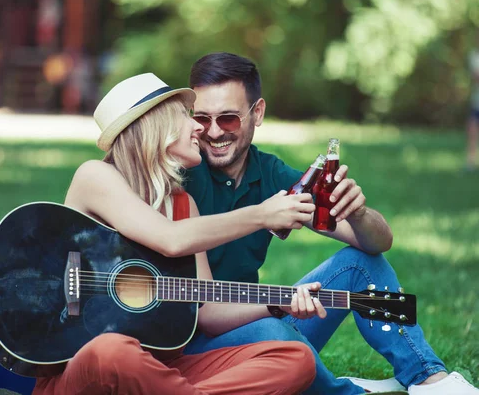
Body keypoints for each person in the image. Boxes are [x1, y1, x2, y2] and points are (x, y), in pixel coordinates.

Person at [181, 52, 479, 395]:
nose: (214, 132)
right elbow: (206, 313)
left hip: (255, 319)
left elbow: (378, 243)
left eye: (229, 119)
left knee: (360, 263)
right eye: (203, 119)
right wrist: (279, 302)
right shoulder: (182, 173)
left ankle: (429, 379)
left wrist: (359, 213)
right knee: (274, 334)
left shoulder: (272, 174)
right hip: (195, 346)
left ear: (257, 113)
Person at [32, 72, 316, 394]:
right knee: (111, 351)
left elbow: (208, 309)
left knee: (295, 358)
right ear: (156, 125)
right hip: (87, 366)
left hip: (162, 371)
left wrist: (279, 302)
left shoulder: (183, 205)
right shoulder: (96, 176)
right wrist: (262, 214)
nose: (200, 127)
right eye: (185, 116)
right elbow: (171, 239)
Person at [467, 37, 479, 172]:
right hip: (477, 102)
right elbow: (476, 77)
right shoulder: (474, 56)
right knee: (472, 132)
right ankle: (470, 161)